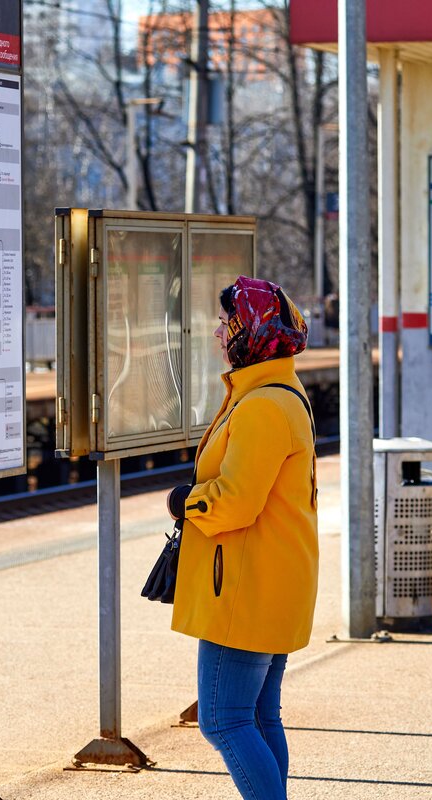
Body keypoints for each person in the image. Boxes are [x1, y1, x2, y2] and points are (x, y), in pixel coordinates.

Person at [166, 275, 319, 800]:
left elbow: (235, 500)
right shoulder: (280, 393)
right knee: (257, 714)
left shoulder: (261, 407)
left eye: (228, 322)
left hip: (245, 589)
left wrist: (183, 501)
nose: (219, 332)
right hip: (272, 578)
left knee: (224, 720)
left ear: (251, 332)